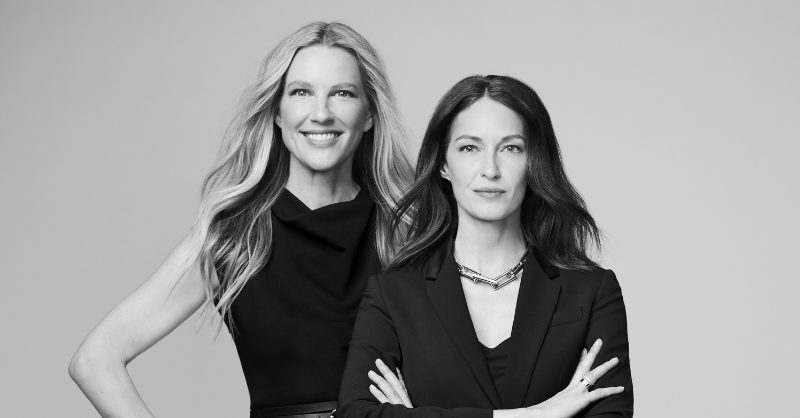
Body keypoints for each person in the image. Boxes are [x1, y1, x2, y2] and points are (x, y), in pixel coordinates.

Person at [68, 22, 413, 418]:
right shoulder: (235, 238)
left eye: (343, 93)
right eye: (301, 92)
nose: (321, 113)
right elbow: (95, 361)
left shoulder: (408, 232)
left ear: (369, 114)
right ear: (277, 112)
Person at [338, 75, 633, 417]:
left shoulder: (591, 291)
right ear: (443, 163)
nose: (490, 170)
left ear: (533, 162)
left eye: (511, 148)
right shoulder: (393, 294)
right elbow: (355, 414)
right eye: (469, 148)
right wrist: (535, 415)